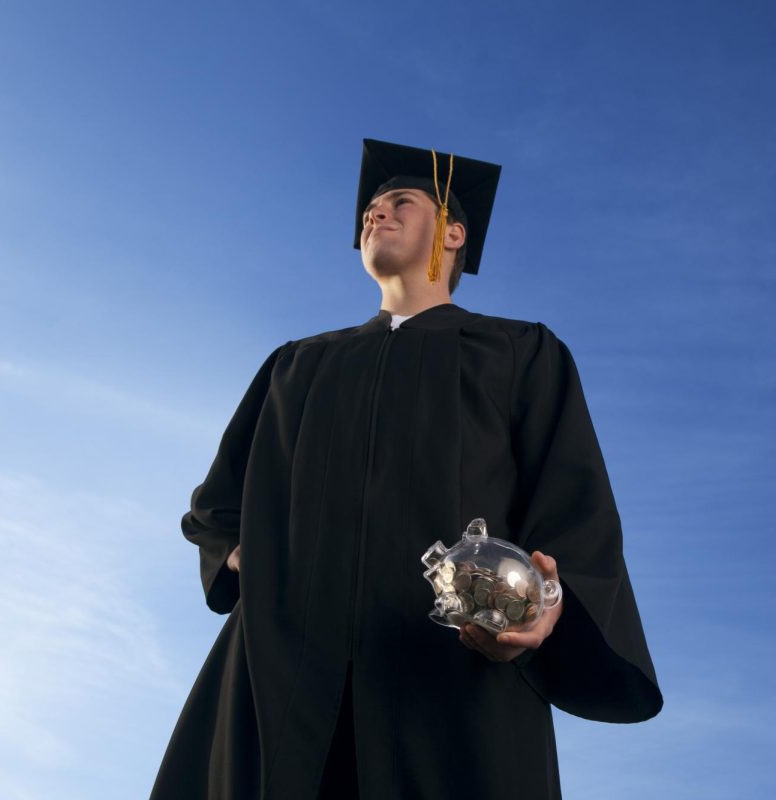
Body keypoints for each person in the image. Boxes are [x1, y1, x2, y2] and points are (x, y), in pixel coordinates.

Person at [149, 139, 663, 800]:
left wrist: (545, 609)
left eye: (400, 203)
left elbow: (574, 509)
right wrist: (258, 562)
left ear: (453, 232)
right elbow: (215, 510)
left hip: (450, 671)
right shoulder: (297, 366)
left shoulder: (518, 352)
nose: (375, 215)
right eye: (369, 209)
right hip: (280, 677)